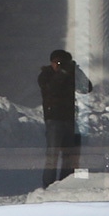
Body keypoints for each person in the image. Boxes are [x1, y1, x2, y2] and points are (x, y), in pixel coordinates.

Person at [37, 48, 92, 188]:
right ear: (51, 63)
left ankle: (65, 185)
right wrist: (64, 72)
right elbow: (52, 88)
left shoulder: (69, 75)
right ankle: (48, 186)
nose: (58, 65)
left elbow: (87, 88)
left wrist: (77, 72)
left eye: (62, 63)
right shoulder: (45, 75)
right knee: (52, 155)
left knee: (70, 156)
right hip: (54, 120)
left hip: (69, 120)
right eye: (56, 62)